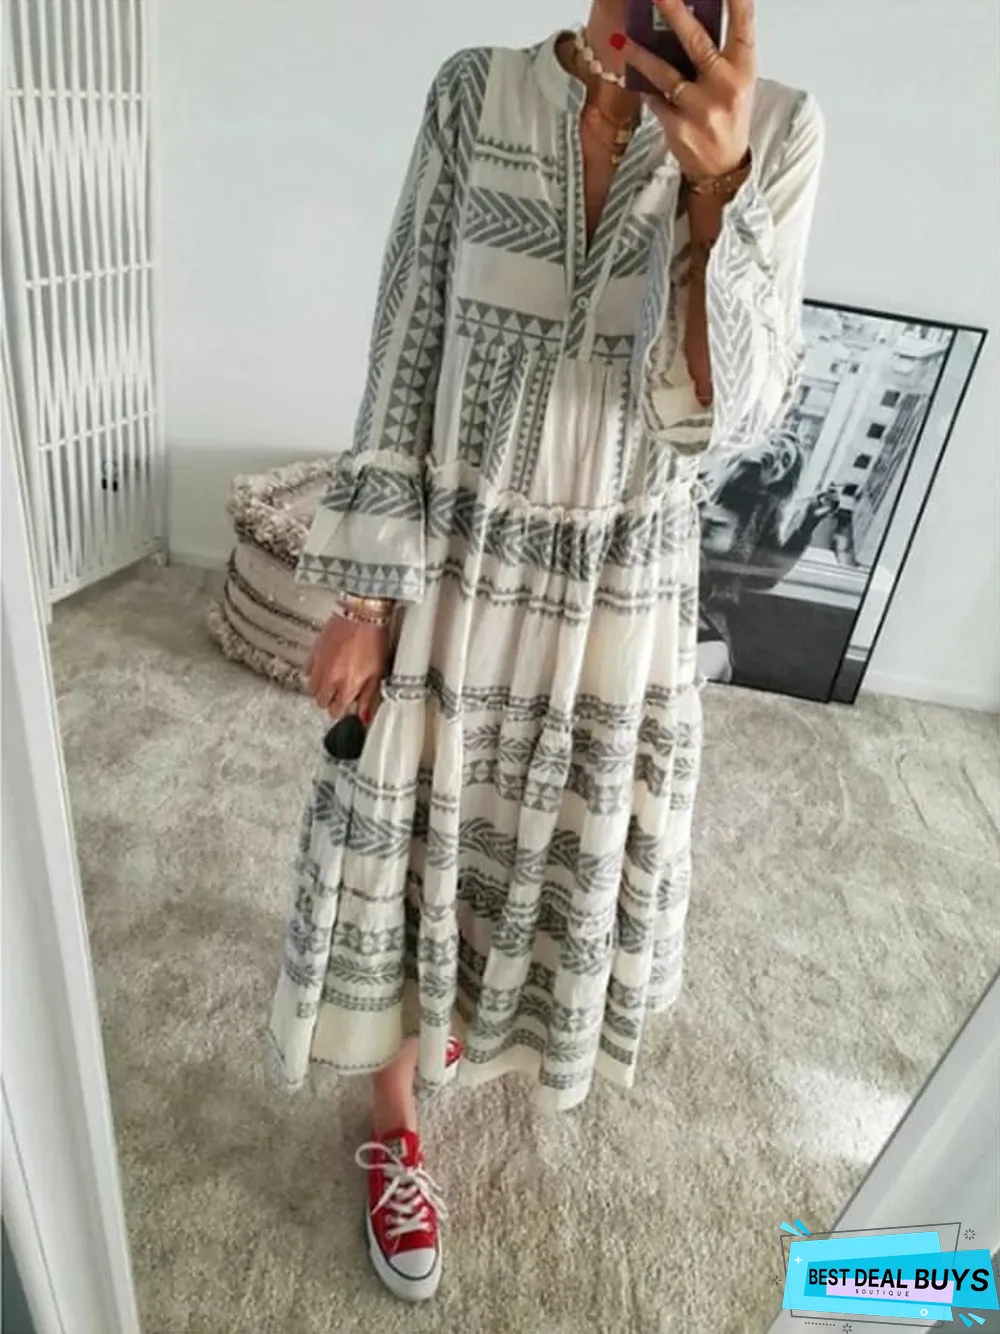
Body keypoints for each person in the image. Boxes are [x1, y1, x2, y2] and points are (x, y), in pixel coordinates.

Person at [268, 0, 823, 1302]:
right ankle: (395, 1122)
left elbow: (729, 420)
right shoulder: (475, 92)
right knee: (397, 852)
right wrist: (365, 594)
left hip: (617, 599)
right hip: (452, 567)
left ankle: (460, 1026)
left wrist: (717, 189)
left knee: (531, 856)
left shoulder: (783, 131)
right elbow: (405, 342)